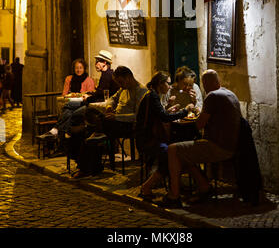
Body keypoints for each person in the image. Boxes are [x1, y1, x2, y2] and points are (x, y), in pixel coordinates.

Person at [161, 69, 242, 208]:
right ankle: (204, 186)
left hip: (217, 146)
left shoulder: (212, 96)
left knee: (173, 149)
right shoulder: (230, 93)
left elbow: (199, 125)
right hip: (233, 144)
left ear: (204, 84)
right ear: (218, 81)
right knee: (184, 152)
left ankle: (174, 195)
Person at [71, 66, 147, 178]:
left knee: (88, 132)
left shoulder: (141, 91)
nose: (120, 85)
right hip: (112, 120)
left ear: (128, 77)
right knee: (88, 116)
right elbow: (113, 98)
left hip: (126, 125)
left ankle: (86, 168)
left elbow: (137, 116)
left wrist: (117, 117)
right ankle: (91, 164)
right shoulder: (123, 89)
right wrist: (110, 107)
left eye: (121, 82)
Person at [135, 71, 194, 201]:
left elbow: (159, 115)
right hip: (148, 139)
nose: (170, 86)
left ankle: (170, 186)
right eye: (168, 83)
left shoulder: (152, 95)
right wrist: (185, 111)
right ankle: (149, 187)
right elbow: (164, 118)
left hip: (147, 137)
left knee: (171, 154)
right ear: (160, 84)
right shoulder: (152, 96)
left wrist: (168, 109)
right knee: (171, 155)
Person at [37, 58, 95, 140]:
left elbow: (89, 95)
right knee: (68, 111)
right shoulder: (69, 79)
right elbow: (64, 94)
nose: (78, 70)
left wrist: (79, 96)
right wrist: (71, 96)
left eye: (80, 68)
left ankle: (56, 130)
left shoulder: (89, 80)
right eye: (76, 68)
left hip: (82, 104)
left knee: (67, 110)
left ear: (84, 68)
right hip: (70, 103)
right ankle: (64, 133)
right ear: (73, 69)